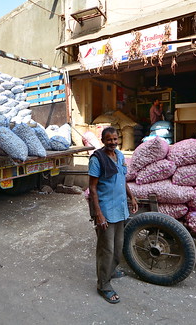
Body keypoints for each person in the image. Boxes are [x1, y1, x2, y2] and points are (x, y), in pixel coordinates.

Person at [88, 126, 138, 304]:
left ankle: (111, 270)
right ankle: (104, 285)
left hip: (120, 208)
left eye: (115, 139)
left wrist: (131, 197)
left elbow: (122, 180)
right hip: (106, 210)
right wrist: (99, 214)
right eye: (109, 140)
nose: (113, 143)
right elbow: (92, 189)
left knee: (118, 247)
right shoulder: (97, 159)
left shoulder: (121, 156)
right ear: (103, 141)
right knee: (106, 249)